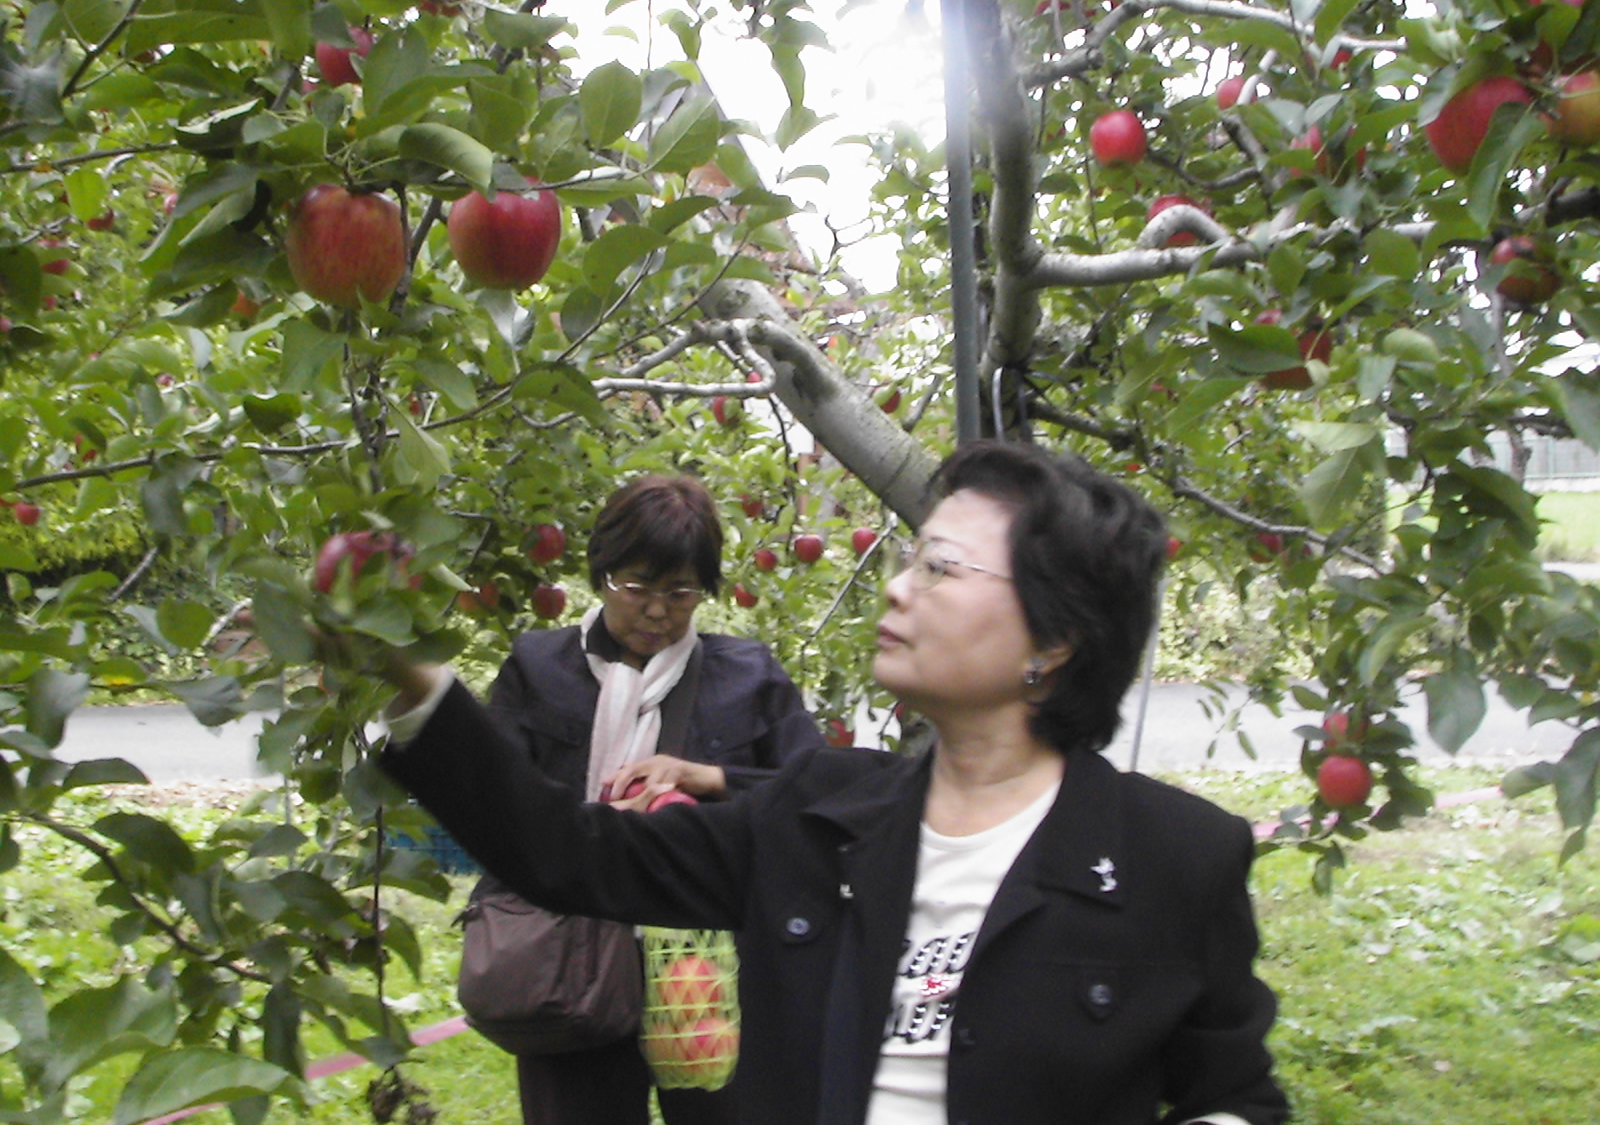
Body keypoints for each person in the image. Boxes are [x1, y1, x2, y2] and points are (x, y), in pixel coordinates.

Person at [374, 441, 1288, 1125]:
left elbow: (1233, 1092)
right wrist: (407, 679)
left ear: (1053, 642)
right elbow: (570, 854)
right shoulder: (817, 814)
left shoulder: (1177, 859)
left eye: (940, 568)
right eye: (909, 558)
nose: (897, 589)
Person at [467, 473, 821, 1125]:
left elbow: (815, 801)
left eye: (680, 592)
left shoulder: (747, 678)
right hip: (572, 964)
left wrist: (708, 779)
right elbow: (495, 811)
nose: (657, 610)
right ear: (601, 574)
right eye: (637, 588)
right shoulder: (539, 669)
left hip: (707, 973)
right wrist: (596, 828)